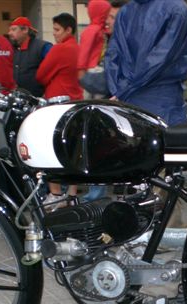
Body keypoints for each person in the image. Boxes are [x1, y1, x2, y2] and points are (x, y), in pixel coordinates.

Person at [105, 0, 187, 126]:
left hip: (127, 100)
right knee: (166, 141)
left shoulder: (125, 12)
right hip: (163, 100)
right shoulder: (178, 9)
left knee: (130, 143)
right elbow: (161, 58)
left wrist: (119, 90)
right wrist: (125, 90)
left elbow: (113, 55)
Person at [81, 0, 128, 202]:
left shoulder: (121, 42)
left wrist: (83, 77)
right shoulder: (110, 40)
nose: (106, 21)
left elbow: (113, 78)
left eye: (112, 17)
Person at [35, 13, 83, 207]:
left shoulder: (59, 49)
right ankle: (72, 193)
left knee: (51, 148)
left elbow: (41, 75)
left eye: (57, 29)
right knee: (72, 149)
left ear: (68, 30)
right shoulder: (79, 49)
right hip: (76, 101)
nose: (54, 34)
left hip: (56, 103)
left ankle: (55, 194)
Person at [8, 16, 52, 97]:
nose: (9, 33)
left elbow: (52, 70)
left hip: (37, 99)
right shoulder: (11, 49)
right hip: (16, 99)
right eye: (9, 30)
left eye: (13, 29)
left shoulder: (43, 47)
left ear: (25, 30)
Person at [77, 0, 110, 85]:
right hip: (93, 70)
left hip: (96, 68)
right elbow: (84, 52)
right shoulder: (93, 30)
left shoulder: (98, 29)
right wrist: (81, 69)